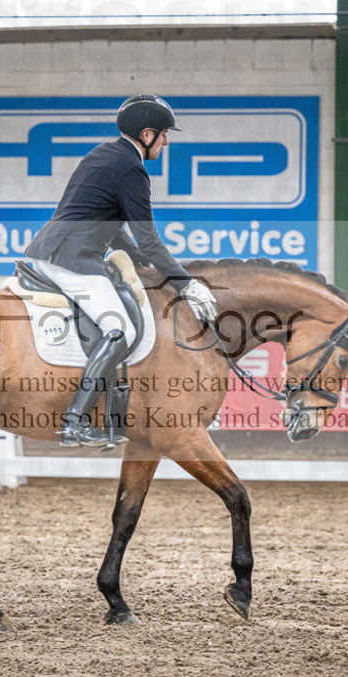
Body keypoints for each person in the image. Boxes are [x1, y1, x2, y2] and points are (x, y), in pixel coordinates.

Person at [25, 94, 218, 448]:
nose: (165, 141)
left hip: (50, 248)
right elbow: (150, 240)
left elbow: (110, 224)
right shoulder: (132, 169)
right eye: (163, 135)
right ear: (146, 134)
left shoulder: (103, 153)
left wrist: (145, 264)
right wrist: (187, 285)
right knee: (120, 329)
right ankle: (75, 421)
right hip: (72, 257)